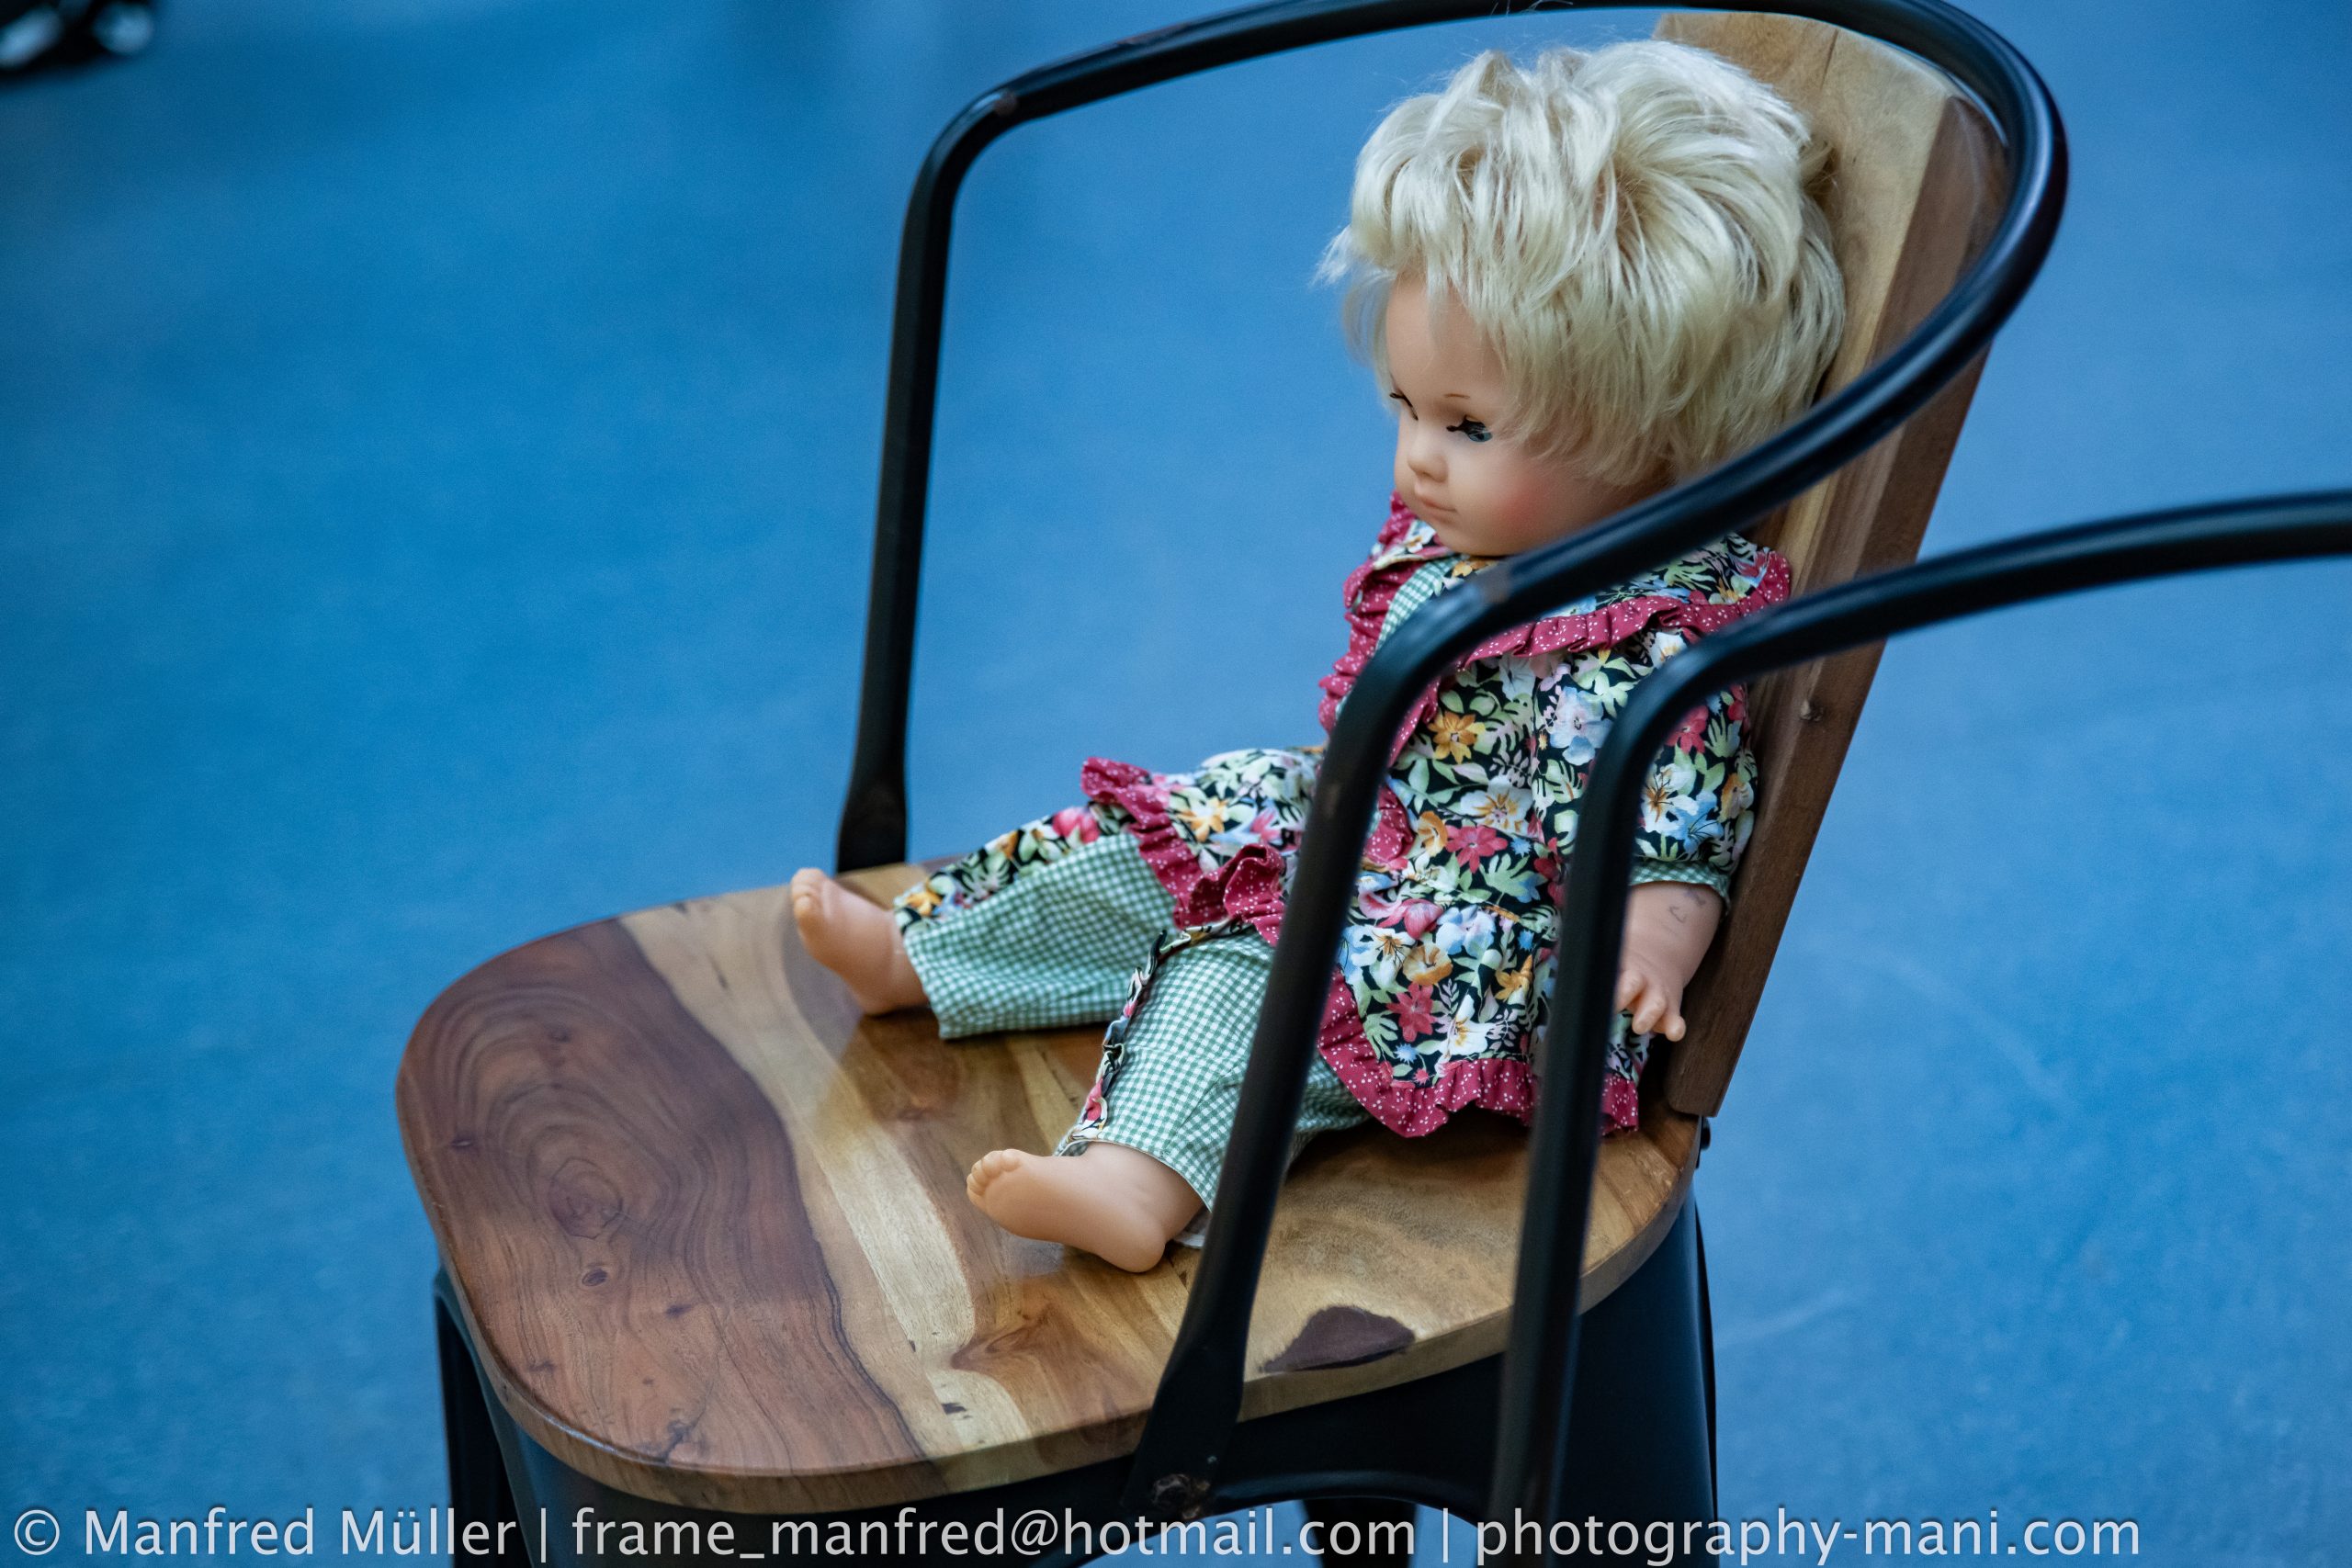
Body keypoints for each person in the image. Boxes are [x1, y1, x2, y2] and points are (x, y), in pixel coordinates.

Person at [792, 39, 1844, 1271]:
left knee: (1262, 962)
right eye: (1407, 407)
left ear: (1649, 428)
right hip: (1370, 824)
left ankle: (1135, 1178)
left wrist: (1650, 953)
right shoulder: (1492, 538)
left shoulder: (1664, 643)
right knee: (1184, 830)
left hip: (1481, 946)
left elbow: (1680, 832)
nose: (1419, 456)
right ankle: (930, 953)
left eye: (1468, 425)